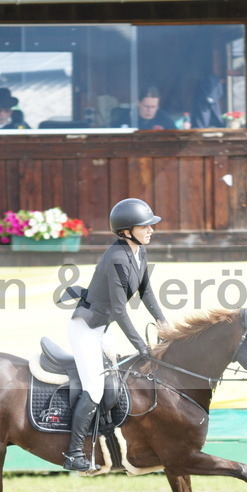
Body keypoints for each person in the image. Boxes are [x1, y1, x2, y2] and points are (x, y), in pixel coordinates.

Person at [63, 198, 168, 472]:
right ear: (125, 231)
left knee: (118, 381)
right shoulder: (116, 258)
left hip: (101, 328)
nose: (150, 230)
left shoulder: (139, 252)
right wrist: (141, 346)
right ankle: (74, 454)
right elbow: (120, 311)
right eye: (144, 226)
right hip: (85, 329)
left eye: (150, 226)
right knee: (95, 388)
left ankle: (107, 442)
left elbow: (145, 291)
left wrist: (163, 323)